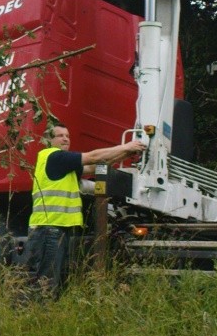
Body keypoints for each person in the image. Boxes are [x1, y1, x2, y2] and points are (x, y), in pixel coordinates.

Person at [25, 123, 145, 295]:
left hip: (53, 229)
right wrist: (125, 146)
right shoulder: (55, 157)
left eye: (67, 135)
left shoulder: (61, 164)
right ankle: (36, 316)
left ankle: (39, 314)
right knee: (45, 284)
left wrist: (125, 154)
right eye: (60, 136)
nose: (66, 138)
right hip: (48, 229)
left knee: (49, 282)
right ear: (48, 141)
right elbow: (93, 157)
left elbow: (95, 167)